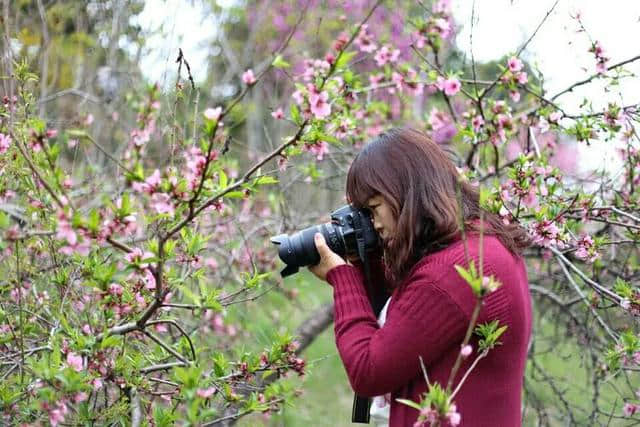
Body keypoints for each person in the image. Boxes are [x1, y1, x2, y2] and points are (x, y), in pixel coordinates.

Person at [309, 127, 532, 426]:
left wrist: (343, 278)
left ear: (403, 194)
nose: (373, 223)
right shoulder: (482, 244)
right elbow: (412, 318)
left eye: (374, 209)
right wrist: (365, 258)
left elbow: (368, 371)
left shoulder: (451, 274)